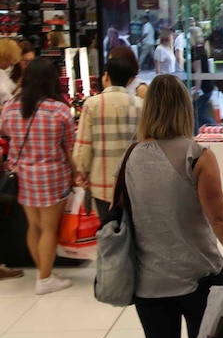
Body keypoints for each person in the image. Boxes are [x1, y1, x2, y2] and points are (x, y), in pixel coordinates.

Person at [125, 74, 223, 338]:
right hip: (199, 277)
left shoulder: (129, 157)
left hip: (149, 282)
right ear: (184, 107)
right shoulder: (197, 155)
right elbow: (219, 220)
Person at [0, 58, 76, 294]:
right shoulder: (60, 110)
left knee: (33, 227)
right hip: (53, 175)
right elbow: (69, 147)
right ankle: (44, 278)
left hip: (22, 175)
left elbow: (6, 134)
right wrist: (78, 175)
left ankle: (45, 271)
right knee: (49, 228)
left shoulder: (11, 108)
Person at [73, 56, 142, 221]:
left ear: (106, 76)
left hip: (101, 183)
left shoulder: (92, 104)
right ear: (129, 80)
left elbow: (84, 145)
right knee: (133, 233)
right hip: (133, 182)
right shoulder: (140, 104)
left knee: (108, 232)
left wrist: (82, 171)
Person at [189, 27, 215, 135]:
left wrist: (197, 91)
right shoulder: (203, 49)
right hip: (208, 86)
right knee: (201, 114)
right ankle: (214, 128)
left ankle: (197, 135)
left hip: (203, 88)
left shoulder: (195, 51)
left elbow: (198, 72)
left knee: (196, 114)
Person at [0, 38, 21, 105]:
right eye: (11, 59)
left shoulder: (2, 73)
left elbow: (10, 93)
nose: (12, 63)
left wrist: (19, 85)